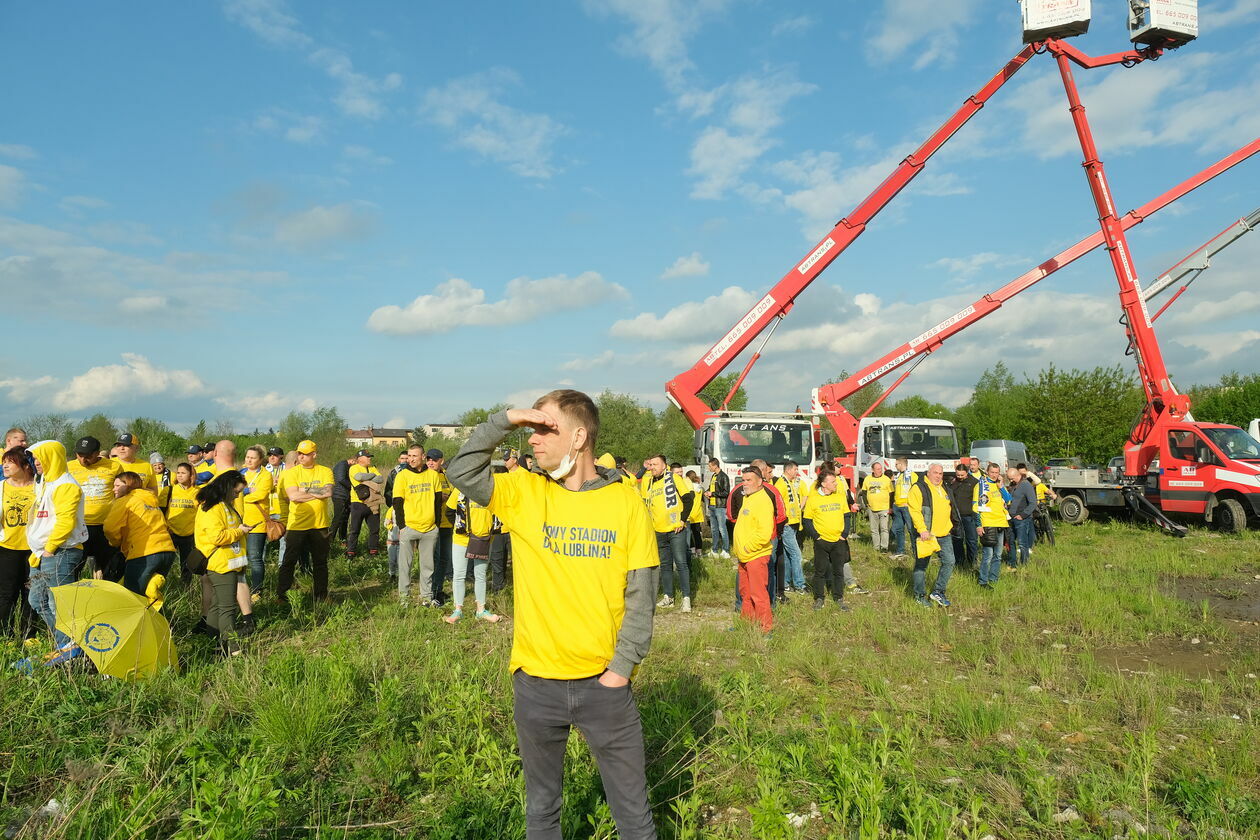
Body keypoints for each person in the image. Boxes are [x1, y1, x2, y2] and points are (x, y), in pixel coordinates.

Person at [446, 391, 659, 839]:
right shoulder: (523, 491)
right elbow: (461, 470)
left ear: (579, 436)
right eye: (531, 429)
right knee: (542, 809)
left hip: (605, 685)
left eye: (545, 429)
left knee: (634, 817)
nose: (533, 440)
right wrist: (504, 419)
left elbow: (642, 594)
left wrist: (621, 670)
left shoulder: (626, 502)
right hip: (536, 684)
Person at [25, 440, 88, 648]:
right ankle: (65, 643)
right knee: (37, 601)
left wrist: (50, 548)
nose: (36, 462)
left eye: (39, 457)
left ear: (51, 457)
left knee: (59, 604)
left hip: (61, 551)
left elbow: (66, 521)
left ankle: (69, 647)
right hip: (42, 553)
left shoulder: (66, 485)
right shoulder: (45, 482)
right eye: (33, 458)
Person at [194, 470, 250, 656]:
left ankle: (216, 646)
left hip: (228, 563)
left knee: (217, 606)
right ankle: (233, 649)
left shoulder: (223, 505)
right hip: (221, 564)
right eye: (236, 492)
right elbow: (217, 536)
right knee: (228, 609)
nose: (238, 495)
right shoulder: (212, 508)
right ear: (227, 488)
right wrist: (240, 531)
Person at [277, 440, 334, 604]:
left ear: (314, 455)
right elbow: (293, 496)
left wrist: (304, 490)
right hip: (297, 524)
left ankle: (321, 596)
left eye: (305, 454)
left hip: (319, 524)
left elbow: (328, 491)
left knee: (320, 562)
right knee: (289, 561)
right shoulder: (291, 473)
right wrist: (317, 492)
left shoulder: (325, 471)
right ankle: (282, 595)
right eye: (299, 453)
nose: (301, 456)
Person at [103, 471, 176, 598]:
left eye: (117, 485)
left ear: (128, 485)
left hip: (144, 553)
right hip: (167, 551)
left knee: (133, 597)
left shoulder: (126, 501)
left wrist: (115, 542)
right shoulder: (151, 499)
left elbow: (110, 528)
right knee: (149, 596)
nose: (114, 489)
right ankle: (156, 616)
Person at [392, 444, 443, 606]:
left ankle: (426, 598)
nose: (411, 459)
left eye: (415, 456)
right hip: (409, 527)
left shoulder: (433, 475)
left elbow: (437, 502)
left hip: (429, 529)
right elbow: (397, 503)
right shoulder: (402, 476)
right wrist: (402, 527)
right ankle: (404, 599)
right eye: (409, 456)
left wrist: (436, 525)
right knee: (405, 566)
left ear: (423, 456)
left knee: (428, 566)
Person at [66, 435, 123, 580]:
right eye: (80, 455)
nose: (83, 460)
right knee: (74, 568)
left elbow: (122, 494)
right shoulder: (68, 467)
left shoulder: (114, 466)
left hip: (106, 527)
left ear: (97, 453)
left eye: (88, 456)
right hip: (79, 526)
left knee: (109, 570)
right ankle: (75, 598)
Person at [443, 486, 501, 624]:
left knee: (480, 575)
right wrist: (461, 527)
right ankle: (458, 610)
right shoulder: (461, 489)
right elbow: (449, 511)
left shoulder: (491, 489)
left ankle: (481, 610)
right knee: (459, 575)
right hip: (462, 539)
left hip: (484, 539)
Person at [643, 454, 691, 612]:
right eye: (651, 465)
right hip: (658, 530)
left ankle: (686, 598)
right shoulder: (649, 481)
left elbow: (688, 498)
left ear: (664, 466)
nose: (652, 467)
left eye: (656, 464)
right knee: (665, 566)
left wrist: (683, 520)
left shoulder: (672, 478)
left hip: (676, 529)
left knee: (681, 563)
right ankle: (668, 597)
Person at [0, 446, 39, 640]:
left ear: (25, 465)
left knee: (31, 594)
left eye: (10, 462)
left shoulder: (40, 487)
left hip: (34, 549)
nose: (4, 465)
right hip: (7, 548)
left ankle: (28, 635)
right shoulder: (1, 487)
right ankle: (4, 635)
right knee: (6, 594)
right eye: (4, 461)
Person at [908, 463, 958, 607]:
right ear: (928, 473)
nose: (938, 476)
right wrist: (922, 529)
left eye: (941, 473)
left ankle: (938, 592)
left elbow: (951, 507)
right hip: (927, 534)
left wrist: (954, 525)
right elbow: (915, 511)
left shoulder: (944, 487)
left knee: (949, 562)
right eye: (935, 473)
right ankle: (919, 595)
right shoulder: (919, 488)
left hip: (944, 533)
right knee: (921, 566)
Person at [801, 469, 852, 611]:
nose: (836, 483)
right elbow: (807, 520)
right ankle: (819, 598)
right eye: (833, 481)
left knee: (838, 571)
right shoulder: (814, 499)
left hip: (838, 541)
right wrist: (816, 537)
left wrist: (844, 534)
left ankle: (838, 597)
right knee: (820, 571)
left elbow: (847, 516)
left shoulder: (840, 496)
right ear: (824, 484)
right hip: (822, 542)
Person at [732, 466, 775, 634]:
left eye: (749, 480)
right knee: (746, 592)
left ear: (760, 481)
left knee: (759, 593)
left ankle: (766, 629)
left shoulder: (763, 501)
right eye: (743, 480)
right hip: (745, 556)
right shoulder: (749, 497)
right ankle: (746, 622)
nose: (745, 483)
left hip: (755, 555)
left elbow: (764, 534)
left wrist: (747, 547)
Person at [240, 445, 274, 601]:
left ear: (260, 460)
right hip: (238, 522)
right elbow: (229, 493)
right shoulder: (240, 473)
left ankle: (256, 590)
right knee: (239, 558)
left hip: (256, 523)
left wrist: (240, 494)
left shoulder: (265, 475)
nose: (249, 460)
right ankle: (240, 588)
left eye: (253, 458)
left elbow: (260, 495)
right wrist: (247, 492)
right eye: (247, 457)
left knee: (255, 557)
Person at [773, 461, 808, 597]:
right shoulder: (781, 484)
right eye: (795, 469)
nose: (797, 472)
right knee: (796, 554)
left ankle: (786, 583)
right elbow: (778, 503)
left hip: (793, 522)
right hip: (786, 524)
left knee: (788, 556)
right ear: (788, 470)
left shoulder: (792, 482)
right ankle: (800, 585)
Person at [974, 462, 1010, 589]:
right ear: (987, 472)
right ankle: (983, 580)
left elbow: (1008, 499)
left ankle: (993, 578)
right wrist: (979, 525)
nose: (994, 475)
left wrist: (1001, 486)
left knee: (998, 555)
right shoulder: (981, 485)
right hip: (988, 524)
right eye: (992, 472)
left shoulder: (999, 485)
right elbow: (976, 507)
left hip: (1000, 523)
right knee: (987, 555)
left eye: (996, 472)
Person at [427, 449, 454, 604]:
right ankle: (431, 592)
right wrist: (438, 497)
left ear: (441, 461)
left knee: (444, 558)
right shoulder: (426, 475)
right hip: (432, 524)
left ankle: (439, 589)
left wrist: (447, 497)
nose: (431, 462)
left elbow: (453, 493)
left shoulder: (445, 476)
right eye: (429, 459)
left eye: (434, 460)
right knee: (434, 559)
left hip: (447, 523)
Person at [347, 449, 384, 558]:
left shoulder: (372, 468)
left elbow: (380, 478)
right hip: (358, 503)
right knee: (354, 529)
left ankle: (373, 550)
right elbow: (359, 477)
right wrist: (372, 477)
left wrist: (368, 477)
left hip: (373, 502)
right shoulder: (354, 468)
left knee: (374, 529)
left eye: (370, 456)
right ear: (359, 459)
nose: (370, 458)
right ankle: (351, 552)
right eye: (367, 457)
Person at [166, 462, 199, 576]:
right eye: (178, 472)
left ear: (191, 475)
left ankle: (186, 588)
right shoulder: (170, 490)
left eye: (183, 473)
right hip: (171, 532)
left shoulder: (198, 492)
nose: (179, 475)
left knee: (186, 564)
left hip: (189, 534)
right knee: (166, 562)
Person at [947, 463, 979, 568]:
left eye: (962, 475)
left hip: (969, 516)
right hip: (956, 516)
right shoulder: (953, 482)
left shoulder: (974, 482)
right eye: (958, 475)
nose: (960, 477)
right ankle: (959, 562)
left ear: (967, 473)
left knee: (971, 540)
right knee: (957, 539)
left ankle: (972, 561)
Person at [1005, 466, 1037, 569]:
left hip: (1021, 519)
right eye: (1009, 478)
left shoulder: (1026, 485)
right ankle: (1012, 563)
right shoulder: (1013, 485)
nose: (1010, 480)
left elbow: (1033, 503)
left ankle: (1024, 564)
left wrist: (1023, 515)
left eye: (1012, 478)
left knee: (1022, 543)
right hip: (1011, 518)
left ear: (1018, 475)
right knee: (1010, 541)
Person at [860, 461, 893, 554]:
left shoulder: (886, 479)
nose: (880, 470)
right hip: (872, 508)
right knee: (874, 529)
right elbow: (864, 492)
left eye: (880, 469)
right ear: (873, 470)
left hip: (884, 508)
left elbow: (892, 494)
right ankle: (876, 547)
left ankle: (884, 547)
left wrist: (890, 507)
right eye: (878, 469)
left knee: (884, 528)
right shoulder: (867, 479)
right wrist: (867, 504)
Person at [890, 458, 917, 559]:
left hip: (907, 507)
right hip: (898, 506)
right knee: (899, 529)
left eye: (896, 464)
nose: (895, 466)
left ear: (901, 464)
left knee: (911, 530)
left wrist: (910, 503)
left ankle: (916, 552)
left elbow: (916, 490)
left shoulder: (912, 475)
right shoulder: (899, 475)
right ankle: (900, 550)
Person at [703, 458, 730, 558]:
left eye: (710, 466)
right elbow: (711, 488)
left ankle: (725, 550)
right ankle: (714, 550)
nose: (709, 468)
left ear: (715, 466)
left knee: (722, 528)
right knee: (714, 529)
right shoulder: (714, 476)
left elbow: (726, 492)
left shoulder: (724, 477)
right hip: (712, 506)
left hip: (720, 506)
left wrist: (713, 494)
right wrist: (707, 492)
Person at [330, 454, 353, 546]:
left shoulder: (346, 466)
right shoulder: (342, 465)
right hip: (339, 495)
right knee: (338, 518)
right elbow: (341, 479)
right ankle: (329, 540)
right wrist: (353, 486)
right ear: (352, 460)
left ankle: (342, 539)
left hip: (345, 495)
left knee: (345, 518)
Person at [684, 469, 705, 558]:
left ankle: (692, 551)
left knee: (689, 533)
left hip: (690, 513)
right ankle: (699, 552)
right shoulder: (699, 487)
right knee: (697, 533)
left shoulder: (689, 487)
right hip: (698, 513)